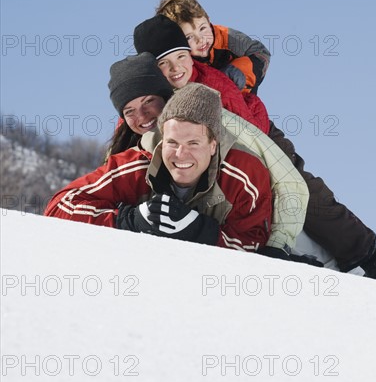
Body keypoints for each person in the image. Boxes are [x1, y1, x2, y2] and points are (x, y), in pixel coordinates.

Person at [138, 9, 376, 280]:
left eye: (182, 52)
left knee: (312, 199)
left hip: (262, 134)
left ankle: (370, 258)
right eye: (165, 62)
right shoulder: (158, 95)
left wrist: (241, 73)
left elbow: (257, 55)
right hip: (233, 147)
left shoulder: (214, 66)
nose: (176, 67)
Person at [45, 54, 286, 254]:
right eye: (172, 142)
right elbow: (59, 208)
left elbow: (255, 243)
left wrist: (199, 230)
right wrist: (129, 220)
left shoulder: (243, 170)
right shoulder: (140, 161)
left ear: (214, 144)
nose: (181, 153)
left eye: (193, 143)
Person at [156, 0, 270, 94]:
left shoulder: (227, 37)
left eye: (202, 28)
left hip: (243, 96)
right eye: (189, 37)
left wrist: (239, 71)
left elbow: (261, 53)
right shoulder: (179, 59)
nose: (200, 39)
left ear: (208, 20)